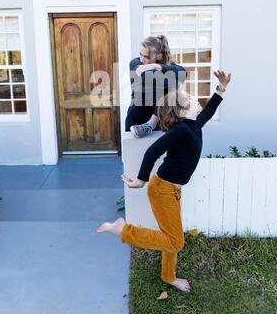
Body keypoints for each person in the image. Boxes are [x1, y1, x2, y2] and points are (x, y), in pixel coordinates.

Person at [97, 70, 232, 293]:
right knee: (175, 242)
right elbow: (152, 151)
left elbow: (209, 110)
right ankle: (124, 230)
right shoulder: (181, 130)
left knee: (171, 237)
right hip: (162, 190)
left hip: (172, 190)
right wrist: (141, 181)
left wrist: (222, 88)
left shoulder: (194, 124)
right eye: (189, 99)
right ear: (181, 112)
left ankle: (168, 276)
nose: (195, 99)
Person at [125, 35, 187, 138]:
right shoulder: (135, 63)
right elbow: (147, 78)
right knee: (171, 88)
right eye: (141, 54)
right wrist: (173, 81)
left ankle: (150, 124)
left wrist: (156, 66)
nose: (142, 59)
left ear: (159, 56)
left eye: (147, 57)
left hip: (159, 121)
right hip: (136, 117)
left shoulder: (165, 67)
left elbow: (183, 72)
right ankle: (149, 125)